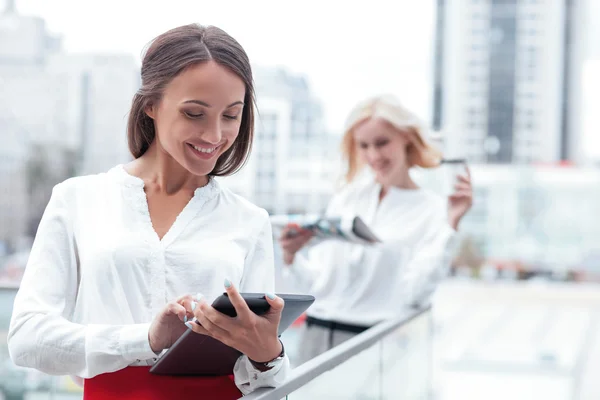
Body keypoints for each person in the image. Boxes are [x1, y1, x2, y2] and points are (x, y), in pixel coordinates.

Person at [7, 24, 289, 399]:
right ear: (150, 105)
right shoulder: (77, 199)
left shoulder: (250, 221)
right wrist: (147, 339)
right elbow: (26, 340)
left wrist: (269, 355)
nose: (214, 135)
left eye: (231, 115)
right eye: (194, 113)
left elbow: (265, 380)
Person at [279, 94, 473, 365]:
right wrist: (292, 255)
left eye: (382, 143)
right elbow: (317, 283)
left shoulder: (433, 210)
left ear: (405, 137)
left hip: (373, 346)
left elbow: (417, 294)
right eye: (364, 146)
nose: (374, 156)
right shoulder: (346, 198)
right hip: (315, 337)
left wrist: (451, 224)